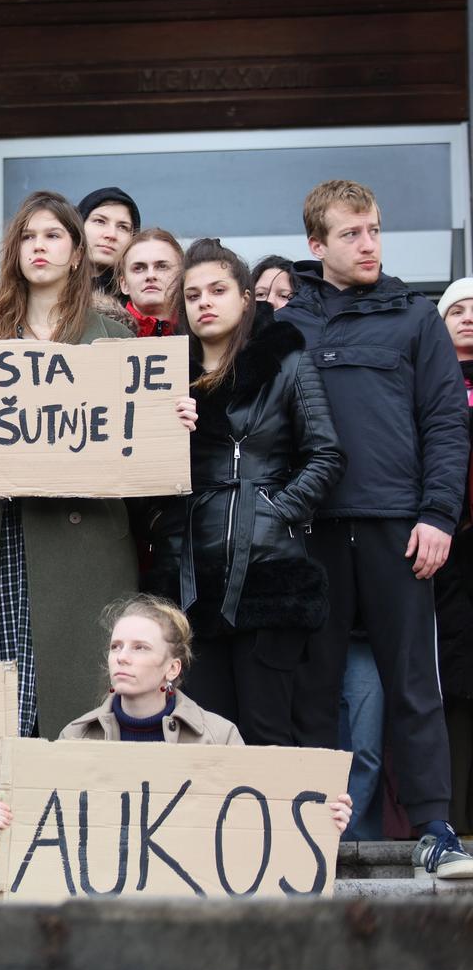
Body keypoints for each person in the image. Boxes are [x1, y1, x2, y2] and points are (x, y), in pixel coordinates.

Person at [0, 190, 196, 740]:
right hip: (5, 539)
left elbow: (145, 464)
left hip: (83, 548)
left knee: (77, 708)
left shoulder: (115, 340)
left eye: (52, 236)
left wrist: (172, 422)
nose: (38, 247)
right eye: (27, 236)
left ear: (77, 253)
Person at [278, 179, 473, 879]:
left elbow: (445, 423)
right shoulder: (285, 324)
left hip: (399, 526)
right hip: (312, 533)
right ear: (316, 244)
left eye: (374, 230)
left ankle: (435, 829)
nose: (368, 244)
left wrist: (437, 513)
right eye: (352, 233)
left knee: (415, 683)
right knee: (312, 686)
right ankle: (306, 830)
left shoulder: (416, 317)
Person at [142, 239, 344, 745]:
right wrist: (172, 433)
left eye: (217, 290)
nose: (204, 302)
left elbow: (326, 454)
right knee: (201, 733)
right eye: (191, 295)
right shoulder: (162, 378)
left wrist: (277, 511)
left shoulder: (288, 364)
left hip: (270, 571)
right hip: (189, 576)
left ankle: (275, 827)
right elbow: (143, 476)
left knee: (266, 729)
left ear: (246, 298)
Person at [0, 595, 352, 829]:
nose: (122, 657)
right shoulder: (76, 737)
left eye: (140, 647)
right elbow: (54, 825)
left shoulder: (218, 737)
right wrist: (11, 817)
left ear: (172, 669)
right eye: (116, 646)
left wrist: (324, 815)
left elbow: (254, 821)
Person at [435, 276, 473, 832]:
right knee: (458, 689)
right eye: (457, 310)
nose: (468, 318)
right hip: (448, 546)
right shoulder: (431, 384)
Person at [116, 228, 182, 336]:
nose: (150, 275)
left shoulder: (201, 336)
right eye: (139, 268)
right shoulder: (101, 332)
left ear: (181, 277)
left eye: (162, 267)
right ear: (124, 284)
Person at [77, 186, 140, 294]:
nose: (111, 235)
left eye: (123, 227)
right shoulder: (45, 289)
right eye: (100, 221)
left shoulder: (141, 301)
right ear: (79, 225)